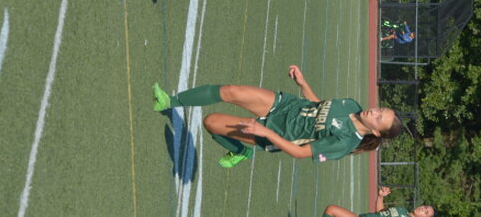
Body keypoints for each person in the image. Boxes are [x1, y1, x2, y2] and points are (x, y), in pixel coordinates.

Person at [153, 65, 402, 168]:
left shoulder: (345, 143)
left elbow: (299, 153)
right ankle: (169, 102)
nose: (374, 111)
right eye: (380, 109)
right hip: (286, 106)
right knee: (231, 91)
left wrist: (265, 132)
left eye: (379, 118)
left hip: (277, 134)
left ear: (376, 131)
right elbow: (319, 106)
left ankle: (242, 150)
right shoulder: (352, 104)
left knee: (211, 122)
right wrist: (302, 83)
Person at [323, 186, 435, 217]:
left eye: (426, 212)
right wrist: (381, 197)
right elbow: (381, 211)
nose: (422, 209)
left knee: (331, 210)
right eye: (425, 207)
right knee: (331, 209)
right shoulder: (403, 210)